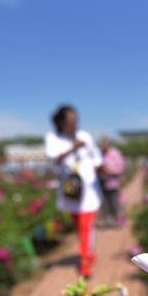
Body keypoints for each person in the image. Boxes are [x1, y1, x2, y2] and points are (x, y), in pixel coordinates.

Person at [45, 105, 102, 278]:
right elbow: (54, 161)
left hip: (88, 192)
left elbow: (96, 157)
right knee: (81, 228)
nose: (75, 123)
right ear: (61, 122)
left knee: (86, 227)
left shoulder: (85, 136)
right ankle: (89, 253)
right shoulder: (53, 138)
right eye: (71, 120)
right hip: (70, 191)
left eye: (76, 120)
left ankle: (84, 263)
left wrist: (94, 165)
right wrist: (73, 148)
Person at [98, 137, 125, 228]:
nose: (102, 146)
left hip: (113, 182)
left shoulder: (115, 153)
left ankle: (118, 221)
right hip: (102, 181)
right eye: (101, 144)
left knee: (115, 202)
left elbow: (120, 168)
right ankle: (107, 221)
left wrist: (109, 171)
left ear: (108, 144)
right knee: (105, 203)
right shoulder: (100, 154)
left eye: (104, 144)